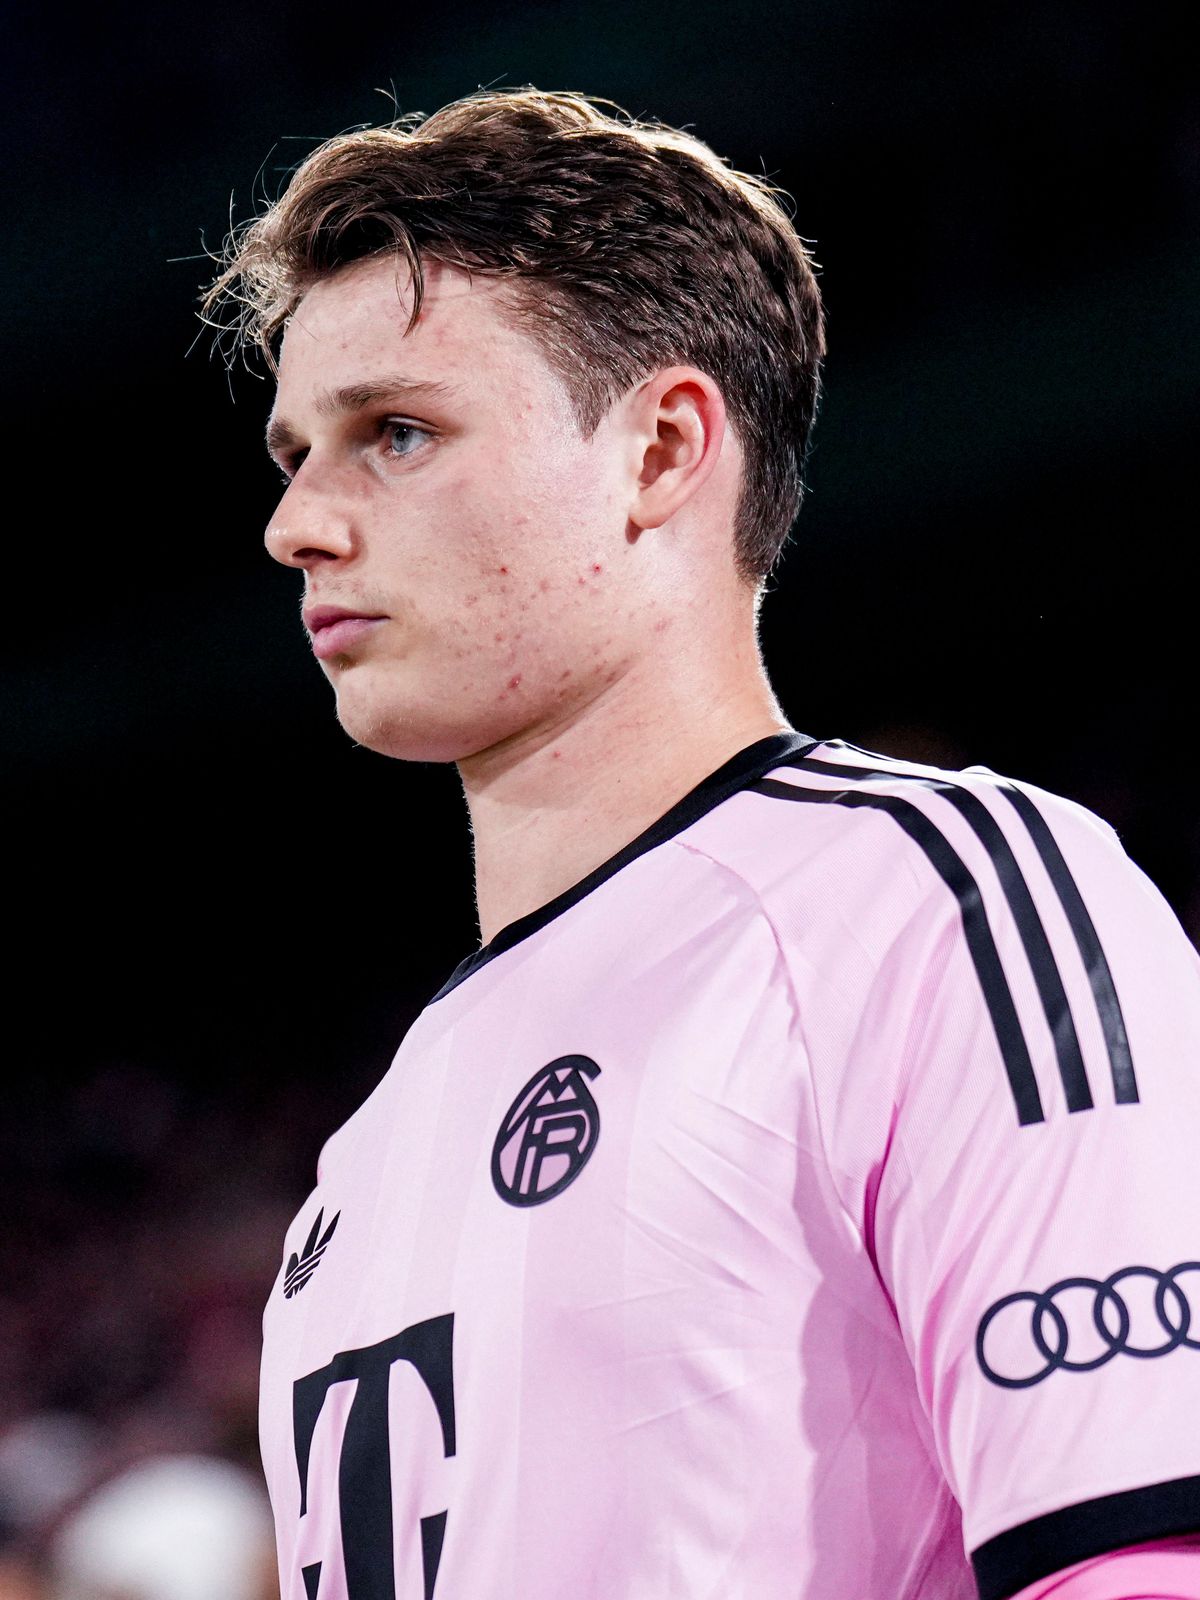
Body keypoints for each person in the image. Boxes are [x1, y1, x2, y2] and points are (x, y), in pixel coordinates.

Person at [203, 87, 1200, 1600]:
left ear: (662, 450)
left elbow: (1144, 1560)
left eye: (396, 433)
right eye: (295, 455)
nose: (299, 525)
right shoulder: (365, 1158)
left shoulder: (938, 905)